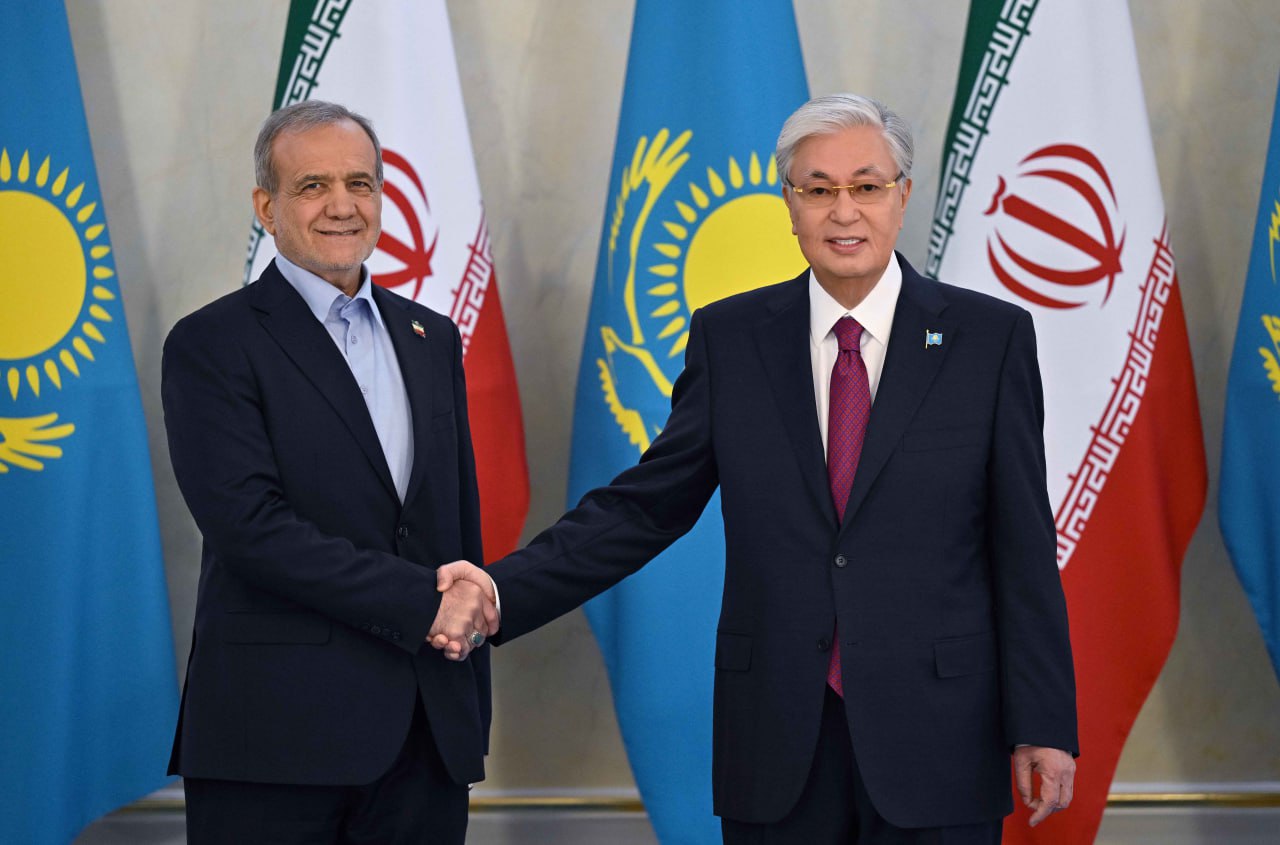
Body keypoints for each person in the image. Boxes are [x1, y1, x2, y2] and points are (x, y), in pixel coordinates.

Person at [438, 94, 1078, 843]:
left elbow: (1022, 544)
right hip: (778, 736)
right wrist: (499, 589)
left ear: (903, 196)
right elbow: (645, 507)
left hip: (939, 735)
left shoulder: (987, 339)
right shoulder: (732, 338)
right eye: (818, 189)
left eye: (867, 186)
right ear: (790, 205)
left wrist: (1043, 721)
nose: (844, 211)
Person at [162, 100, 498, 845]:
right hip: (276, 736)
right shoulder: (211, 342)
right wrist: (422, 602)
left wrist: (468, 695)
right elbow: (249, 528)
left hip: (427, 733)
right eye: (312, 186)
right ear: (266, 207)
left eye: (360, 183)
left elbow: (452, 521)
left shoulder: (432, 336)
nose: (342, 206)